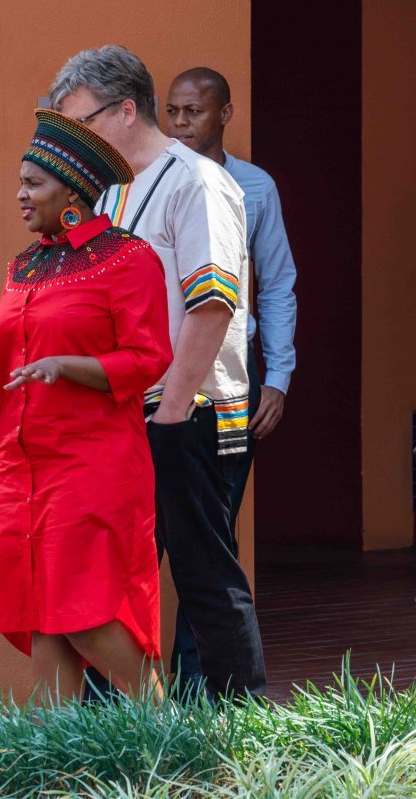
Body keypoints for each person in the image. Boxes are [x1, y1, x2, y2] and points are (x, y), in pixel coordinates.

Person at [0, 109, 172, 702]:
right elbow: (3, 364)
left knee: (84, 614)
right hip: (21, 469)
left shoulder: (128, 258)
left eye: (33, 184)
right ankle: (56, 750)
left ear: (72, 193)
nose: (20, 194)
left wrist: (70, 367)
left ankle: (167, 730)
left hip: (93, 466)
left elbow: (148, 358)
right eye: (20, 182)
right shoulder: (24, 265)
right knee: (41, 613)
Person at [50, 45, 263, 698]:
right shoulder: (108, 189)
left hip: (189, 409)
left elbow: (213, 303)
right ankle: (116, 721)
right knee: (109, 574)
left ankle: (237, 721)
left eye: (81, 121)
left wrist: (171, 413)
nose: (73, 138)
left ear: (124, 110)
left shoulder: (197, 181)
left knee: (203, 573)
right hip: (123, 411)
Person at [163, 67, 298, 689]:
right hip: (157, 379)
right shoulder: (149, 182)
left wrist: (279, 377)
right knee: (148, 535)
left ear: (225, 114)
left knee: (212, 533)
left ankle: (201, 690)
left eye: (192, 111)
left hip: (233, 380)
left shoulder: (255, 187)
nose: (180, 123)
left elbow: (277, 284)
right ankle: (127, 698)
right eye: (172, 111)